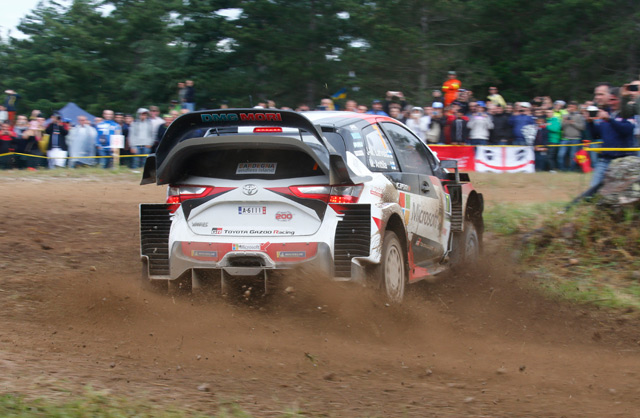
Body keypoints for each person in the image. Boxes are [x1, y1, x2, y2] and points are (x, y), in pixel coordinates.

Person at [587, 84, 635, 188]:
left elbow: (626, 130)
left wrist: (610, 120)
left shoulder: (628, 113)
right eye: (610, 100)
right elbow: (596, 135)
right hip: (605, 159)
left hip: (623, 160)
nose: (611, 102)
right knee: (593, 188)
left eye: (614, 100)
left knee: (619, 190)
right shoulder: (604, 113)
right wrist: (590, 123)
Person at [558, 101, 585, 171]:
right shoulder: (565, 116)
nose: (570, 108)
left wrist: (573, 123)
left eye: (572, 107)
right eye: (569, 107)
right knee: (561, 154)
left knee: (572, 156)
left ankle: (571, 170)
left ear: (575, 108)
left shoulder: (579, 116)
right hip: (565, 138)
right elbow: (561, 128)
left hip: (575, 138)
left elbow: (582, 127)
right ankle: (562, 169)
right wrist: (564, 121)